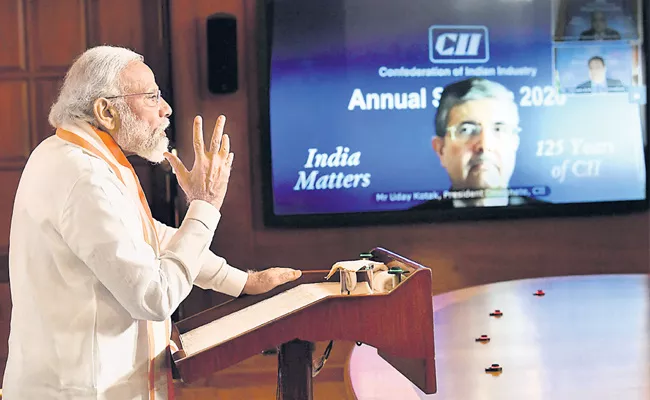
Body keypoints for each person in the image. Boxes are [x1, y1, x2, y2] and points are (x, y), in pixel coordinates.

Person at [2, 45, 301, 399]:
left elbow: (152, 238)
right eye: (151, 97)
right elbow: (154, 297)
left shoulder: (74, 155)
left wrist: (244, 282)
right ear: (105, 110)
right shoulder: (85, 177)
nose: (166, 109)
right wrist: (204, 206)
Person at [413, 78, 540, 210]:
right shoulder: (413, 224)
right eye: (466, 130)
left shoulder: (549, 221)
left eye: (498, 129)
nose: (484, 146)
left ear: (515, 143)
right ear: (440, 149)